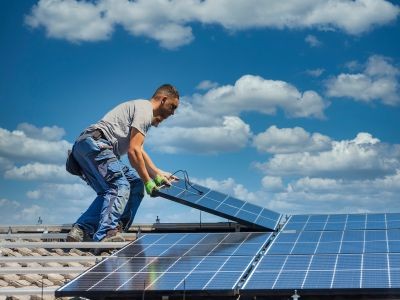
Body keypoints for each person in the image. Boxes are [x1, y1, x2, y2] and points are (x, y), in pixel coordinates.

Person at [66, 84, 179, 242]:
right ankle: (107, 233)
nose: (172, 113)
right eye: (172, 107)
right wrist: (149, 182)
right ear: (163, 100)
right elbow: (133, 153)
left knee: (134, 185)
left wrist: (157, 173)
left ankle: (81, 229)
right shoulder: (145, 110)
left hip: (85, 147)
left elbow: (139, 151)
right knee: (119, 186)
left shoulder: (139, 109)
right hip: (97, 144)